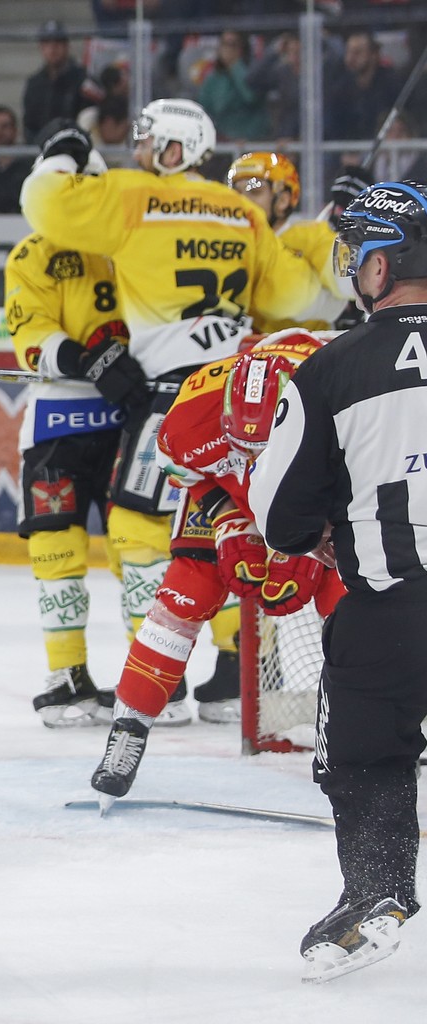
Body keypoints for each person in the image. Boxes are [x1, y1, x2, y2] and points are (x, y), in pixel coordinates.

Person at [21, 99, 322, 726]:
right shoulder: (243, 213)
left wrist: (63, 157)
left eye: (149, 140)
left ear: (175, 149)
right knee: (238, 520)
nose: (138, 151)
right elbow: (294, 295)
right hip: (240, 386)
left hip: (172, 395)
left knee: (136, 527)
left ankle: (165, 680)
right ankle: (242, 676)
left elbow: (44, 206)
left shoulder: (132, 198)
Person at [248, 180, 427, 982]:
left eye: (359, 258)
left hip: (394, 608)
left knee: (362, 756)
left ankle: (380, 894)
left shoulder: (333, 367)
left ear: (382, 269)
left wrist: (320, 529)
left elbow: (278, 516)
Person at [90, 331, 344, 803]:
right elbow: (196, 478)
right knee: (186, 594)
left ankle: (366, 734)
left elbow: (369, 487)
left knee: (351, 601)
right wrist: (229, 519)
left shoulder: (342, 403)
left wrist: (303, 546)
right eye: (240, 448)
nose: (249, 461)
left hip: (317, 498)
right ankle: (129, 728)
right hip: (235, 495)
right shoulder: (187, 420)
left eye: (261, 450)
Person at [3, 169, 138, 726]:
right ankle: (70, 674)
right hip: (71, 419)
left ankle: (153, 679)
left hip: (109, 419)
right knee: (60, 552)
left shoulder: (126, 240)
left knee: (141, 548)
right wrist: (92, 360)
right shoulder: (35, 252)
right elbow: (30, 332)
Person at [225, 151, 354, 332]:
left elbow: (353, 282)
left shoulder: (313, 236)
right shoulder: (224, 244)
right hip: (242, 355)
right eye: (236, 194)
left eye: (255, 192)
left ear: (283, 200)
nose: (243, 203)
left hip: (307, 354)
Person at [21, 20, 101, 145]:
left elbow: (92, 119)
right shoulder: (34, 83)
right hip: (41, 149)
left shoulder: (83, 79)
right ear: (41, 47)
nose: (53, 48)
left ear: (67, 45)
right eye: (47, 43)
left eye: (58, 42)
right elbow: (29, 125)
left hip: (75, 148)